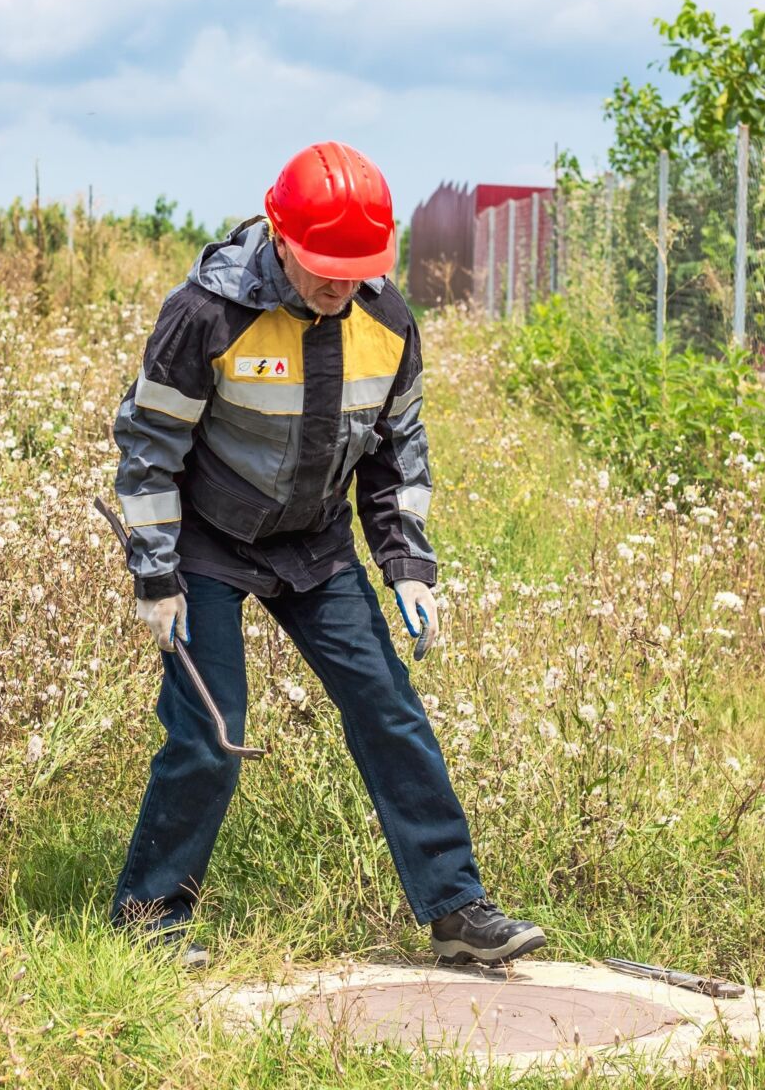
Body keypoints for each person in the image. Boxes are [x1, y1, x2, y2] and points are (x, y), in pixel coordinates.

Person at [109, 142, 545, 967]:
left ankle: (456, 908)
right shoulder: (208, 312)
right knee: (211, 728)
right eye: (323, 269)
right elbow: (149, 445)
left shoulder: (387, 320)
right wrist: (156, 572)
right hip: (206, 543)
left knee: (389, 708)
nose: (339, 286)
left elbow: (397, 454)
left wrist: (408, 566)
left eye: (356, 270)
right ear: (280, 235)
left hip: (316, 546)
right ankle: (147, 919)